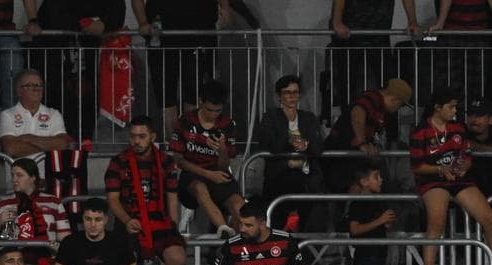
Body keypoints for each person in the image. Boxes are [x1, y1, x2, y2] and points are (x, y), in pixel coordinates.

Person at [410, 87, 492, 265]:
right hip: (433, 181)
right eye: (451, 107)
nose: (455, 111)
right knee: (436, 221)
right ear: (438, 108)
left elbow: (466, 154)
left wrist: (464, 165)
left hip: (459, 179)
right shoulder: (421, 130)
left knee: (489, 218)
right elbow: (417, 166)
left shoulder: (457, 128)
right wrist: (440, 169)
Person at [105, 115, 186, 265]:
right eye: (133, 136)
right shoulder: (118, 162)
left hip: (158, 220)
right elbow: (113, 200)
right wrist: (127, 220)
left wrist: (174, 226)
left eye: (142, 136)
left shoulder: (167, 161)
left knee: (178, 259)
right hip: (128, 221)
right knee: (125, 260)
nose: (137, 141)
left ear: (153, 136)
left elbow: (172, 196)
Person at [30, 0, 127, 139]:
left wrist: (103, 24)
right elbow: (52, 13)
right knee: (58, 97)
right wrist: (83, 25)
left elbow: (118, 9)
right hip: (57, 52)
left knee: (89, 96)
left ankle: (84, 142)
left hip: (91, 54)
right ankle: (59, 141)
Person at [132, 0, 229, 137]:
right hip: (162, 33)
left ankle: (190, 142)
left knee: (194, 94)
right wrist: (142, 22)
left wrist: (225, 7)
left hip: (200, 31)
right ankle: (174, 142)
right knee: (166, 98)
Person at [170, 80, 244, 238]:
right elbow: (178, 159)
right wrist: (207, 174)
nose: (213, 115)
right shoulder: (185, 121)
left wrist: (222, 149)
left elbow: (224, 167)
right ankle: (224, 231)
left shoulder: (227, 124)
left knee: (238, 204)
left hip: (218, 173)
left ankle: (241, 241)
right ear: (200, 102)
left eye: (218, 111)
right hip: (192, 175)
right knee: (200, 188)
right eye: (209, 110)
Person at [256, 74, 326, 231]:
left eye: (295, 92)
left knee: (315, 209)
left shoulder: (308, 118)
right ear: (279, 96)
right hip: (279, 177)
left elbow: (318, 146)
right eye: (287, 92)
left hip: (307, 177)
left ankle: (306, 242)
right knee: (277, 218)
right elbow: (268, 144)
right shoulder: (270, 118)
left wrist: (306, 144)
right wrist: (289, 140)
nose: (292, 96)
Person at [0, 157, 71, 265]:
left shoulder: (53, 201)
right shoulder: (3, 204)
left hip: (48, 264)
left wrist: (56, 251)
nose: (14, 179)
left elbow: (66, 240)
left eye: (19, 175)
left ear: (33, 177)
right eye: (13, 175)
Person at [323, 78, 413, 193]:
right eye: (399, 106)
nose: (397, 109)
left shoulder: (378, 106)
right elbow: (358, 113)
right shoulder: (372, 99)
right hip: (340, 154)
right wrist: (362, 143)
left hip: (348, 155)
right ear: (395, 100)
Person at [0, 69, 71, 171]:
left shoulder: (53, 114)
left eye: (39, 85)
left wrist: (28, 138)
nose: (36, 89)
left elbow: (63, 143)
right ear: (19, 91)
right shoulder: (7, 115)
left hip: (47, 178)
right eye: (30, 85)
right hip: (18, 179)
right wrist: (49, 145)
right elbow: (11, 149)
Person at [463, 97, 492, 200]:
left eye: (479, 116)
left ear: (490, 119)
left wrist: (484, 148)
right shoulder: (461, 131)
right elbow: (465, 143)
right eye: (471, 115)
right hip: (465, 193)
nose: (474, 120)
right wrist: (489, 149)